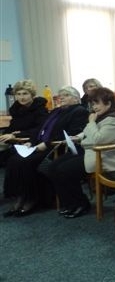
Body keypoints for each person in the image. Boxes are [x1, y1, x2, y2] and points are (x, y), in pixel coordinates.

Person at [3, 86, 89, 217]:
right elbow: (40, 129)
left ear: (76, 98)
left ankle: (32, 199)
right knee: (14, 160)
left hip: (55, 148)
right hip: (39, 145)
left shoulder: (79, 111)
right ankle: (21, 198)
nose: (61, 98)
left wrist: (46, 144)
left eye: (66, 95)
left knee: (25, 162)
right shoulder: (56, 111)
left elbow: (71, 133)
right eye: (60, 95)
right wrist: (31, 142)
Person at [45, 88, 115, 218]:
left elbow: (98, 139)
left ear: (108, 103)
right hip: (92, 153)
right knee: (53, 166)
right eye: (92, 104)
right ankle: (70, 203)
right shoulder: (103, 117)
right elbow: (88, 132)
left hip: (105, 158)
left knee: (64, 170)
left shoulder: (114, 120)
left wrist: (91, 122)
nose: (94, 107)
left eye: (97, 103)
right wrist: (78, 137)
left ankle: (81, 204)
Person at [0, 80, 48, 167]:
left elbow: (40, 129)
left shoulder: (40, 109)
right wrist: (7, 134)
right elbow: (12, 127)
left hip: (31, 142)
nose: (21, 97)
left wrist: (15, 135)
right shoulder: (16, 108)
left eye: (25, 93)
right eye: (18, 94)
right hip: (16, 141)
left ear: (32, 95)